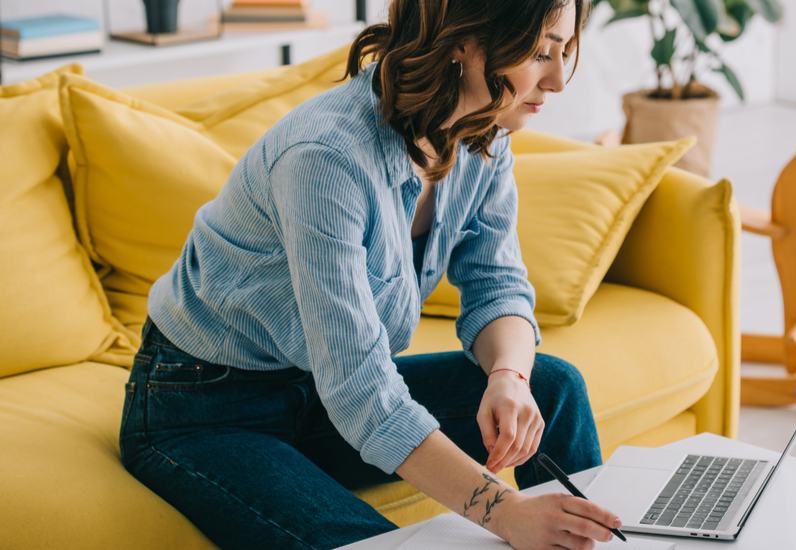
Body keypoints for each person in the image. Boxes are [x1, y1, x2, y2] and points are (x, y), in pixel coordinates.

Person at [118, 1, 624, 548]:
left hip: (318, 391)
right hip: (205, 409)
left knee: (553, 385)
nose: (555, 80)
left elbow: (497, 285)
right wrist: (504, 512)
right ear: (463, 37)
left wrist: (509, 377)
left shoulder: (483, 135)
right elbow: (362, 390)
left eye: (564, 51)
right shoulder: (325, 158)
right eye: (539, 51)